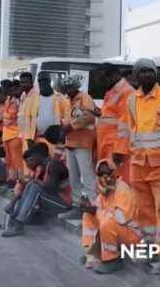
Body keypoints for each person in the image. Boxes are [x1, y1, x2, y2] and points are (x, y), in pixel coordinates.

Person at [121, 58, 160, 254]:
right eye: (143, 72)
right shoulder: (131, 99)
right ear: (137, 75)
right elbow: (131, 128)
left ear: (155, 74)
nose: (147, 75)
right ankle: (148, 243)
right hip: (138, 162)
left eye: (150, 71)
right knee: (143, 207)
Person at [0, 128, 73, 238]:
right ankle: (14, 219)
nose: (28, 164)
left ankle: (19, 224)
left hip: (63, 204)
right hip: (52, 200)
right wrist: (13, 202)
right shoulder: (40, 168)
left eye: (30, 160)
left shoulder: (53, 165)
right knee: (30, 185)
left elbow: (50, 189)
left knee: (34, 187)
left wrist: (35, 181)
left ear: (39, 157)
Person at [80, 159, 143, 274]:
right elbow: (98, 207)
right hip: (117, 230)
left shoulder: (122, 189)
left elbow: (121, 219)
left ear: (114, 172)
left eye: (108, 173)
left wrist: (98, 212)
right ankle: (93, 254)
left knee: (107, 222)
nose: (105, 177)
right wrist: (90, 208)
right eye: (101, 174)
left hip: (132, 236)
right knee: (87, 215)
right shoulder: (104, 190)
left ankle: (112, 260)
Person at [57, 75, 98, 221]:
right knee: (73, 178)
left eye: (70, 87)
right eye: (65, 88)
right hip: (70, 144)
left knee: (87, 176)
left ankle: (94, 206)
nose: (67, 90)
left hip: (83, 143)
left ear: (76, 86)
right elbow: (67, 119)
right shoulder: (68, 101)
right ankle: (77, 206)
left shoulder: (84, 98)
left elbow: (89, 117)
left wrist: (70, 126)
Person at [90, 63, 135, 183]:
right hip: (107, 146)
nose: (102, 83)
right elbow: (111, 118)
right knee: (107, 183)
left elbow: (125, 124)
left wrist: (119, 151)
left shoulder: (126, 92)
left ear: (113, 75)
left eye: (103, 79)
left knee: (119, 184)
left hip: (116, 150)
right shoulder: (111, 91)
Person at [19, 73, 70, 157]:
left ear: (49, 81)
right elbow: (28, 119)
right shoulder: (32, 98)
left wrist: (60, 129)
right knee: (38, 164)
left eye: (45, 80)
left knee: (53, 162)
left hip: (54, 139)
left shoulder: (60, 98)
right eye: (40, 81)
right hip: (37, 138)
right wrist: (29, 138)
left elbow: (67, 116)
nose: (43, 83)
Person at [2, 81, 23, 186]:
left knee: (17, 160)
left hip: (15, 135)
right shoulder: (8, 100)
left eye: (4, 88)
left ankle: (19, 182)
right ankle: (12, 180)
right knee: (9, 160)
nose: (3, 90)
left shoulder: (17, 101)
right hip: (7, 135)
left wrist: (6, 116)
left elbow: (11, 117)